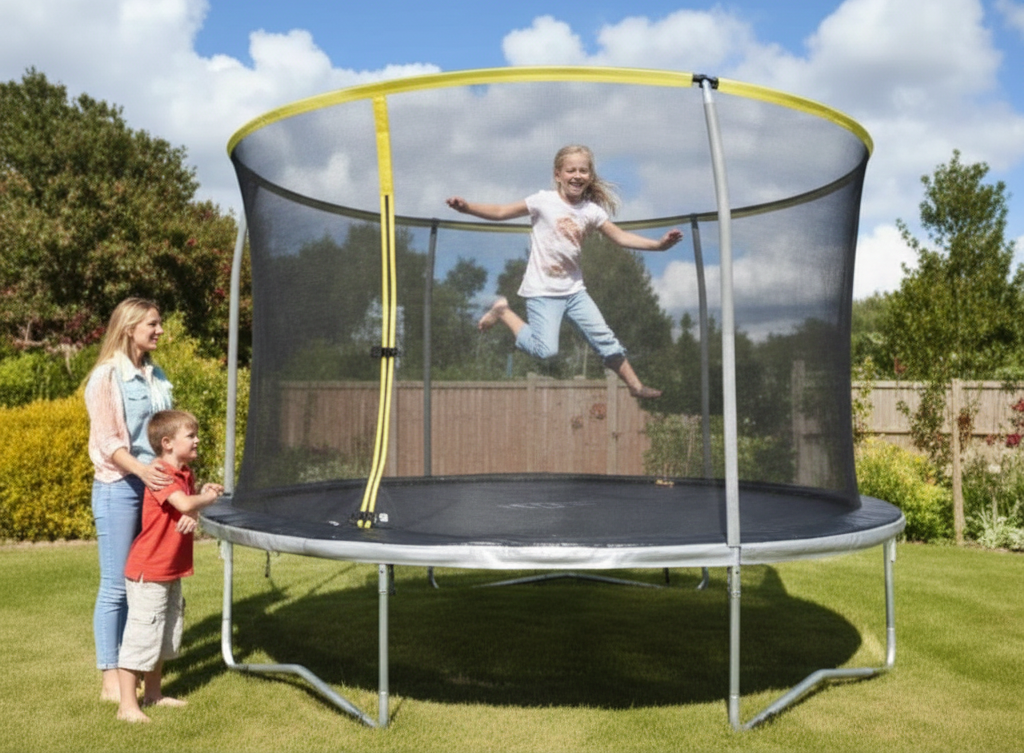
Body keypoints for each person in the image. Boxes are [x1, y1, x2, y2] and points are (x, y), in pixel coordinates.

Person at [446, 144, 683, 399]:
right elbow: (502, 211)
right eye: (571, 170)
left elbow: (621, 237)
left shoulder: (592, 212)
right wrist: (467, 207)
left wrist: (659, 245)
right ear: (558, 174)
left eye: (583, 171)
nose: (577, 175)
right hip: (542, 292)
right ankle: (504, 311)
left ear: (589, 176)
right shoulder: (543, 201)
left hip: (574, 291)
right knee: (546, 350)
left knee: (606, 339)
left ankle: (636, 387)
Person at [84, 298, 174, 703]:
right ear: (129, 327)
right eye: (152, 324)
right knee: (117, 586)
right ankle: (110, 678)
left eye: (159, 324)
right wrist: (141, 473)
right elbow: (108, 442)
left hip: (154, 487)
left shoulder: (157, 376)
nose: (159, 331)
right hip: (119, 487)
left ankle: (137, 671)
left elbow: (164, 437)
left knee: (146, 583)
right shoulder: (105, 377)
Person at [115, 409, 224, 723]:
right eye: (190, 436)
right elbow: (184, 503)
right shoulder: (160, 473)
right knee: (140, 636)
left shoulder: (185, 473)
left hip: (171, 569)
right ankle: (126, 706)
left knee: (163, 634)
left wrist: (195, 511)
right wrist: (204, 499)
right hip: (149, 571)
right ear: (167, 443)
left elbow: (185, 511)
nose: (197, 440)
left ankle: (153, 694)